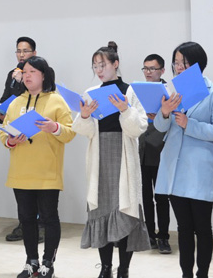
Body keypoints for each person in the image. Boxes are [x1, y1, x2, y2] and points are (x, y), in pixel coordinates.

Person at [73, 42, 149, 278]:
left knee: (125, 210)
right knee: (102, 211)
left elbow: (138, 128)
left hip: (123, 156)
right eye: (95, 66)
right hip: (99, 157)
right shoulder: (91, 92)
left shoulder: (130, 91)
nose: (99, 70)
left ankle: (123, 269)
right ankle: (105, 268)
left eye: (103, 65)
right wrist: (84, 116)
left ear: (116, 64)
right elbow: (84, 130)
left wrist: (125, 109)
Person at [154, 41, 213, 278]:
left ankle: (202, 274)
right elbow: (160, 127)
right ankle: (186, 274)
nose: (178, 67)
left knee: (203, 228)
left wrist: (190, 124)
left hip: (198, 170)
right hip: (174, 169)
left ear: (197, 64)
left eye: (184, 63)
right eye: (176, 63)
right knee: (184, 229)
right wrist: (164, 112)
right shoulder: (171, 92)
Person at [0, 56, 75, 278]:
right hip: (20, 172)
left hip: (47, 172)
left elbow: (70, 132)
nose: (27, 75)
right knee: (26, 219)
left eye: (32, 71)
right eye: (24, 72)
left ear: (44, 75)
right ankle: (31, 261)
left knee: (49, 218)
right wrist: (10, 140)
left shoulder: (57, 101)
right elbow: (3, 132)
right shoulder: (15, 103)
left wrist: (55, 128)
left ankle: (47, 264)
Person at [0, 36, 38, 242]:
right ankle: (24, 223)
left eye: (25, 51)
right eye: (19, 51)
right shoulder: (12, 74)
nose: (21, 55)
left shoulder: (42, 71)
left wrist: (23, 79)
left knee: (38, 184)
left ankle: (39, 225)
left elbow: (36, 97)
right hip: (17, 134)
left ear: (34, 53)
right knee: (21, 184)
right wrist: (0, 112)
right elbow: (7, 98)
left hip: (36, 135)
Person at [139, 54, 172, 254]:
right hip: (142, 151)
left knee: (161, 198)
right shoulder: (137, 91)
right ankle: (149, 234)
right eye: (145, 68)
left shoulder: (169, 92)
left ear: (162, 70)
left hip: (161, 152)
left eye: (152, 68)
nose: (148, 72)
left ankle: (164, 237)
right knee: (145, 197)